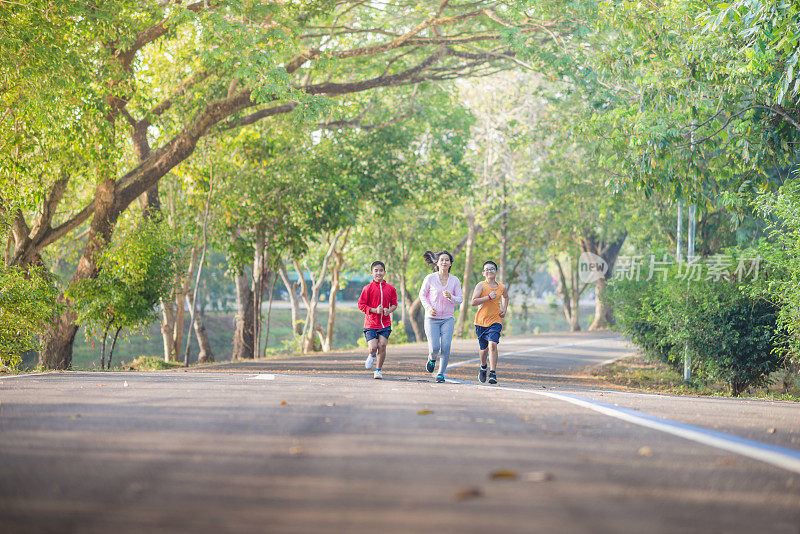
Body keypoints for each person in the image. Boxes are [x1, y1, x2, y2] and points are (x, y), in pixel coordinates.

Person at [419, 250, 463, 383]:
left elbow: (459, 299)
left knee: (446, 347)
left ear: (450, 264)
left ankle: (441, 374)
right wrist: (428, 308)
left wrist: (451, 297)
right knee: (434, 348)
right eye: (442, 260)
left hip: (447, 319)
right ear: (437, 263)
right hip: (431, 318)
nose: (444, 262)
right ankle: (431, 359)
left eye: (447, 260)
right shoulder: (430, 278)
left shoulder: (454, 280)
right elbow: (422, 295)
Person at [357, 261, 398, 379]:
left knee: (382, 345)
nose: (378, 273)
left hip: (385, 323)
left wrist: (389, 310)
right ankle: (371, 354)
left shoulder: (391, 289)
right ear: (371, 273)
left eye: (381, 270)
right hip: (371, 323)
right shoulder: (367, 288)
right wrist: (374, 310)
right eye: (376, 270)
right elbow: (361, 305)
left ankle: (378, 370)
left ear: (385, 272)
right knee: (373, 347)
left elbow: (394, 304)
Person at [470, 260, 508, 384]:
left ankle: (492, 373)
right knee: (484, 349)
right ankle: (483, 366)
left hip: (495, 320)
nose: (489, 271)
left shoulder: (501, 287)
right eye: (487, 269)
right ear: (483, 273)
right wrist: (488, 297)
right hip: (481, 321)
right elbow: (473, 302)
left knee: (493, 345)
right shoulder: (481, 285)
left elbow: (506, 297)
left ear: (496, 272)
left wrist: (504, 309)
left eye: (492, 269)